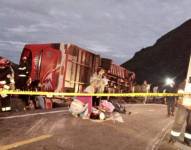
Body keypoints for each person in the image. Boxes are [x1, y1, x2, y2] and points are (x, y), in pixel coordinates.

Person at [169, 80, 191, 146]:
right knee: (179, 122)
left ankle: (188, 140)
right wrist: (181, 99)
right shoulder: (186, 81)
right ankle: (173, 138)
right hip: (184, 105)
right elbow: (180, 91)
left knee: (190, 125)